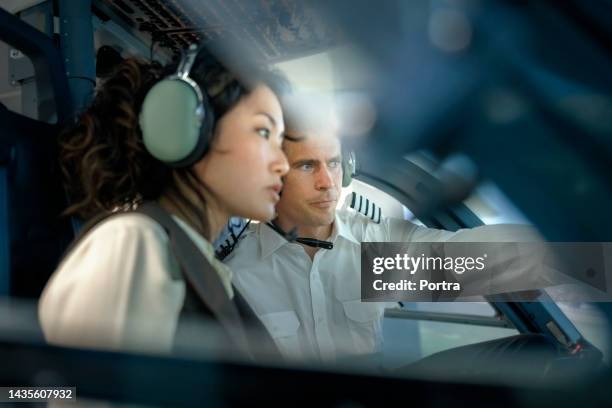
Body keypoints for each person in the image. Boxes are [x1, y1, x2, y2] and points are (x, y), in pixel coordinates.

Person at [38, 45, 290, 355]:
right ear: (186, 128)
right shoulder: (132, 244)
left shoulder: (198, 260)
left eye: (280, 141)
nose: (284, 163)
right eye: (263, 132)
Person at [224, 120, 545, 363]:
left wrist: (570, 247)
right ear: (273, 176)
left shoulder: (373, 248)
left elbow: (468, 257)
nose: (327, 183)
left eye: (334, 163)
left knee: (534, 350)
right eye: (307, 166)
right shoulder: (238, 273)